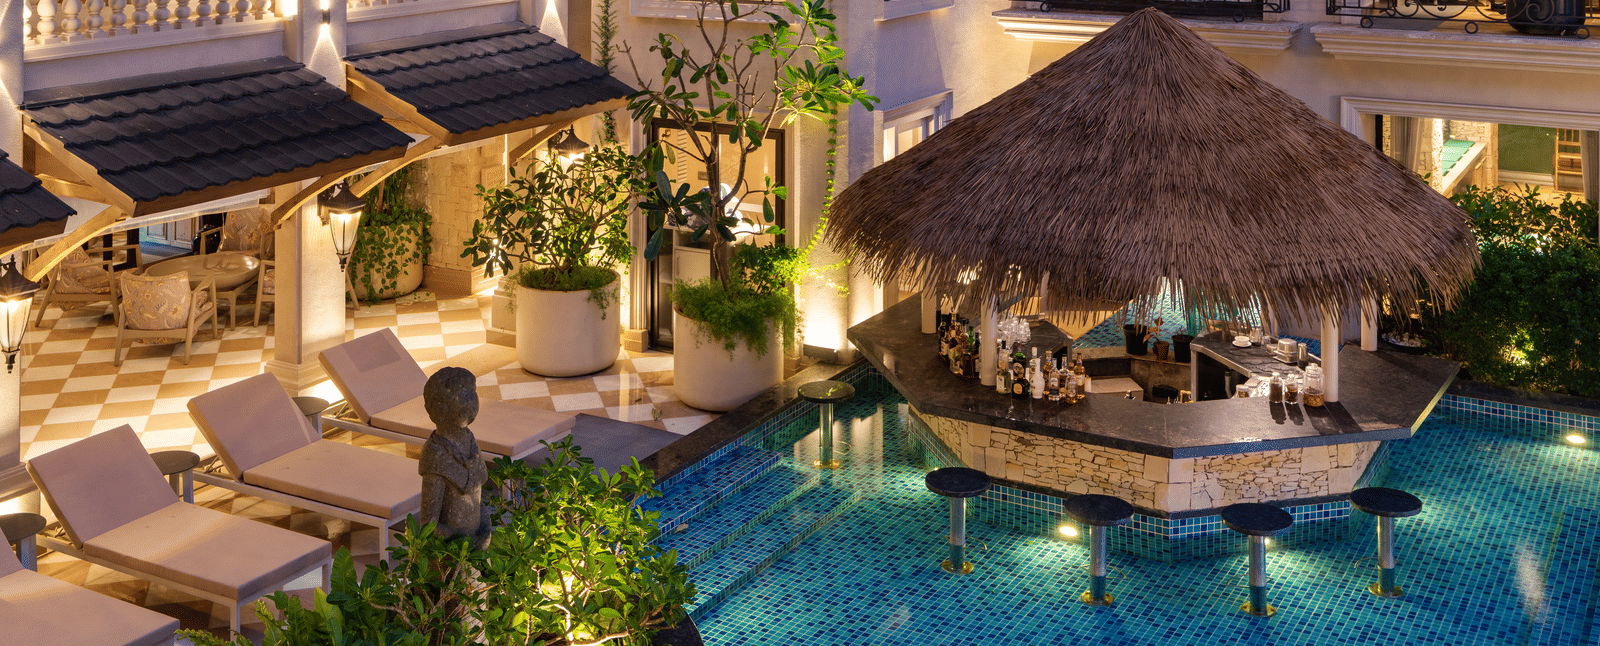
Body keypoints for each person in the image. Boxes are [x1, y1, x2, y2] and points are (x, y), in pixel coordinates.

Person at [417, 367, 491, 550]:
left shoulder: (469, 442)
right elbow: (429, 525)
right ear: (441, 407)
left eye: (472, 392)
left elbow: (477, 500)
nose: (471, 400)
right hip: (453, 553)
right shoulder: (436, 454)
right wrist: (463, 542)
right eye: (462, 395)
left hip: (477, 545)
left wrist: (485, 529)